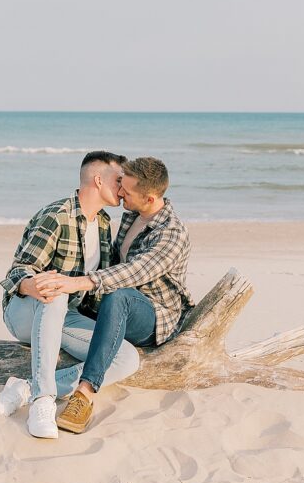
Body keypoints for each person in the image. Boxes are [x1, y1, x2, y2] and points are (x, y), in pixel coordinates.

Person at [33, 156, 192, 434]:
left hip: (154, 316)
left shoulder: (172, 234)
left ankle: (84, 394)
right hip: (115, 306)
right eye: (121, 186)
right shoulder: (133, 213)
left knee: (119, 294)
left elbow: (134, 272)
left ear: (151, 198)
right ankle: (31, 387)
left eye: (126, 192)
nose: (120, 193)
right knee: (103, 300)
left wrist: (78, 282)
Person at [0, 150, 141, 439]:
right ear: (99, 180)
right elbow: (17, 272)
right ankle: (43, 401)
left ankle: (25, 388)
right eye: (119, 180)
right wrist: (31, 285)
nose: (123, 188)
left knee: (125, 357)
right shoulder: (57, 216)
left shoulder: (101, 224)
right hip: (25, 310)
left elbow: (100, 284)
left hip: (67, 317)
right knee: (57, 289)